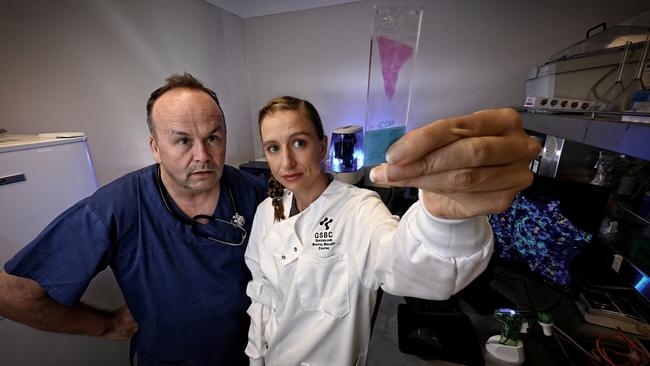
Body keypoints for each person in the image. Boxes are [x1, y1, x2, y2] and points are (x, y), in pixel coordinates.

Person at [244, 96, 541, 366]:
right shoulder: (265, 213)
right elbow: (261, 298)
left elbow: (405, 267)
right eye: (273, 148)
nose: (286, 162)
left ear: (322, 146)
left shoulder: (359, 209)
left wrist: (443, 219)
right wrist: (256, 358)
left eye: (298, 143)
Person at [0, 73, 266, 365]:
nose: (202, 155)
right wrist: (104, 324)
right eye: (183, 141)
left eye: (212, 137)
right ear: (155, 147)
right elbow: (12, 294)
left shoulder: (254, 193)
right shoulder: (115, 209)